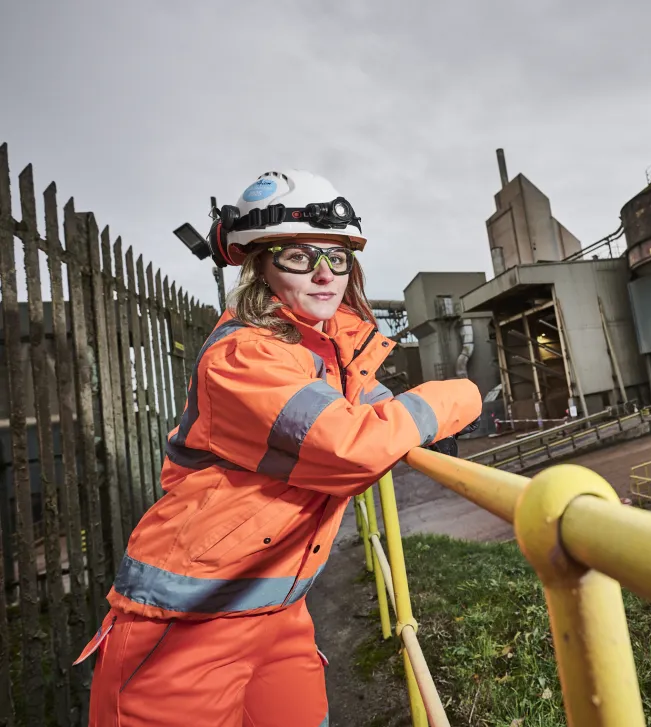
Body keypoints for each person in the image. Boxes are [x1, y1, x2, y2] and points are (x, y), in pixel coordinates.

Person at [76, 169, 483, 726]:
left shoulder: (319, 352)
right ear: (258, 266)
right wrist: (461, 394)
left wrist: (416, 419)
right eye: (298, 255)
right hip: (185, 621)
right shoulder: (246, 355)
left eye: (336, 258)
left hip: (279, 610)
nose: (323, 273)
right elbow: (349, 446)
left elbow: (372, 407)